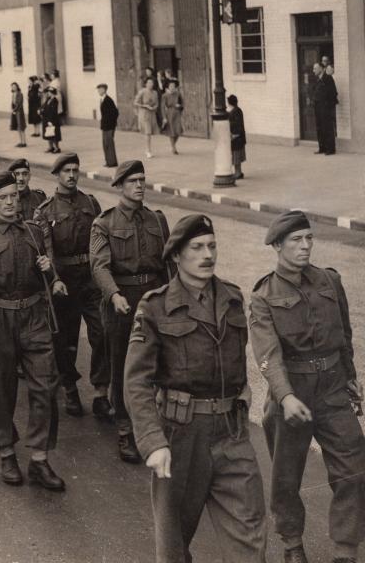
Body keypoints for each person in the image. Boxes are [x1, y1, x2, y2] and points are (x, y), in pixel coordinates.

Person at [124, 214, 267, 563]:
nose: (208, 255)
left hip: (231, 435)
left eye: (212, 246)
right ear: (176, 256)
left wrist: (244, 390)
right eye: (197, 247)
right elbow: (136, 380)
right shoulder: (154, 307)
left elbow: (233, 357)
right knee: (174, 543)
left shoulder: (232, 297)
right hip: (181, 437)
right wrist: (153, 442)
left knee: (250, 537)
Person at [250, 210, 365, 563]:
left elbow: (343, 335)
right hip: (292, 393)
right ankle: (292, 544)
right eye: (296, 240)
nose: (305, 246)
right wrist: (284, 396)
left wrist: (350, 378)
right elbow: (267, 354)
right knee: (286, 478)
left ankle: (345, 550)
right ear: (277, 245)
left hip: (332, 389)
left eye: (309, 238)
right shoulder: (264, 294)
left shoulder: (330, 281)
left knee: (354, 469)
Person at [0, 171, 66, 491]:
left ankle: (39, 458)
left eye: (14, 196)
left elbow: (47, 275)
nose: (10, 203)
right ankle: (6, 452)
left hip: (34, 317)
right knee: (1, 390)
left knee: (46, 385)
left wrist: (50, 272)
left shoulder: (33, 232)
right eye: (3, 198)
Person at [89, 160, 171, 460]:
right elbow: (99, 266)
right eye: (133, 181)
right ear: (120, 186)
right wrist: (113, 294)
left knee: (159, 362)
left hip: (152, 296)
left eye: (142, 180)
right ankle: (125, 430)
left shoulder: (155, 220)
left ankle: (152, 424)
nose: (139, 186)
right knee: (124, 366)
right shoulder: (105, 223)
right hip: (122, 301)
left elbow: (168, 264)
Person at [34, 153, 106, 417]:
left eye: (76, 170)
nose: (72, 175)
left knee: (102, 333)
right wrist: (54, 279)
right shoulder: (45, 211)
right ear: (57, 175)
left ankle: (101, 391)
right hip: (63, 281)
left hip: (90, 279)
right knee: (65, 340)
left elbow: (101, 242)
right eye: (67, 171)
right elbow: (47, 249)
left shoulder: (91, 203)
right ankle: (70, 388)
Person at [313, 62, 339, 155]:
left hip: (326, 107)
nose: (313, 71)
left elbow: (334, 93)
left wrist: (328, 105)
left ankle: (330, 149)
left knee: (327, 127)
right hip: (318, 107)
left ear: (321, 68)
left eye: (315, 68)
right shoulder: (317, 79)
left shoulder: (328, 78)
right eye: (313, 69)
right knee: (320, 127)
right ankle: (322, 147)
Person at [134, 77, 159, 159]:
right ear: (146, 84)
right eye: (149, 83)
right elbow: (136, 102)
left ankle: (148, 150)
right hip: (144, 113)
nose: (150, 85)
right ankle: (148, 150)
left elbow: (156, 103)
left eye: (152, 83)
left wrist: (154, 107)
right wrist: (145, 106)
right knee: (147, 132)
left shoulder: (155, 93)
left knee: (150, 132)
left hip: (152, 113)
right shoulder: (142, 91)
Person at [96, 84, 119, 168]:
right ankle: (108, 161)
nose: (98, 91)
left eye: (100, 89)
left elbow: (115, 112)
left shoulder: (108, 100)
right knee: (105, 144)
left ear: (104, 90)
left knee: (109, 144)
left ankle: (112, 162)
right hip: (105, 126)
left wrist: (112, 124)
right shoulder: (102, 99)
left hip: (109, 126)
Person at [160, 79, 184, 155]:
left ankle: (173, 145)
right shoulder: (165, 95)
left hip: (177, 113)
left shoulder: (178, 94)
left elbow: (183, 103)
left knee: (178, 131)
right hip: (169, 114)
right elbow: (162, 107)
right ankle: (173, 147)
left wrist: (180, 106)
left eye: (173, 86)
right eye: (171, 86)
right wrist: (164, 117)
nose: (172, 87)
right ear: (168, 87)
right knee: (171, 131)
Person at [228, 95, 247, 180]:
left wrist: (234, 135)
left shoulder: (234, 112)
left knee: (236, 156)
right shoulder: (238, 110)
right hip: (240, 137)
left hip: (236, 137)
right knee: (238, 155)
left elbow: (236, 125)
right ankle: (238, 172)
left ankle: (237, 173)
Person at [40, 87, 62, 154]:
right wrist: (40, 111)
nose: (48, 93)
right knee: (48, 133)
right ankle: (50, 147)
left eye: (49, 92)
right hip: (46, 119)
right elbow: (44, 107)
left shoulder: (55, 100)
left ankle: (57, 147)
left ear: (52, 93)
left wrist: (50, 121)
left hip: (52, 119)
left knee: (54, 133)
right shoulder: (48, 100)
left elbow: (53, 111)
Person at [10, 82, 27, 148]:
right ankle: (20, 141)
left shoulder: (20, 94)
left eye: (15, 86)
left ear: (17, 87)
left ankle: (24, 142)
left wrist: (14, 109)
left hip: (19, 112)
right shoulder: (13, 94)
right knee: (17, 127)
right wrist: (12, 109)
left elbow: (19, 104)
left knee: (21, 127)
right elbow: (12, 103)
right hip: (15, 112)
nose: (13, 87)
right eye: (12, 86)